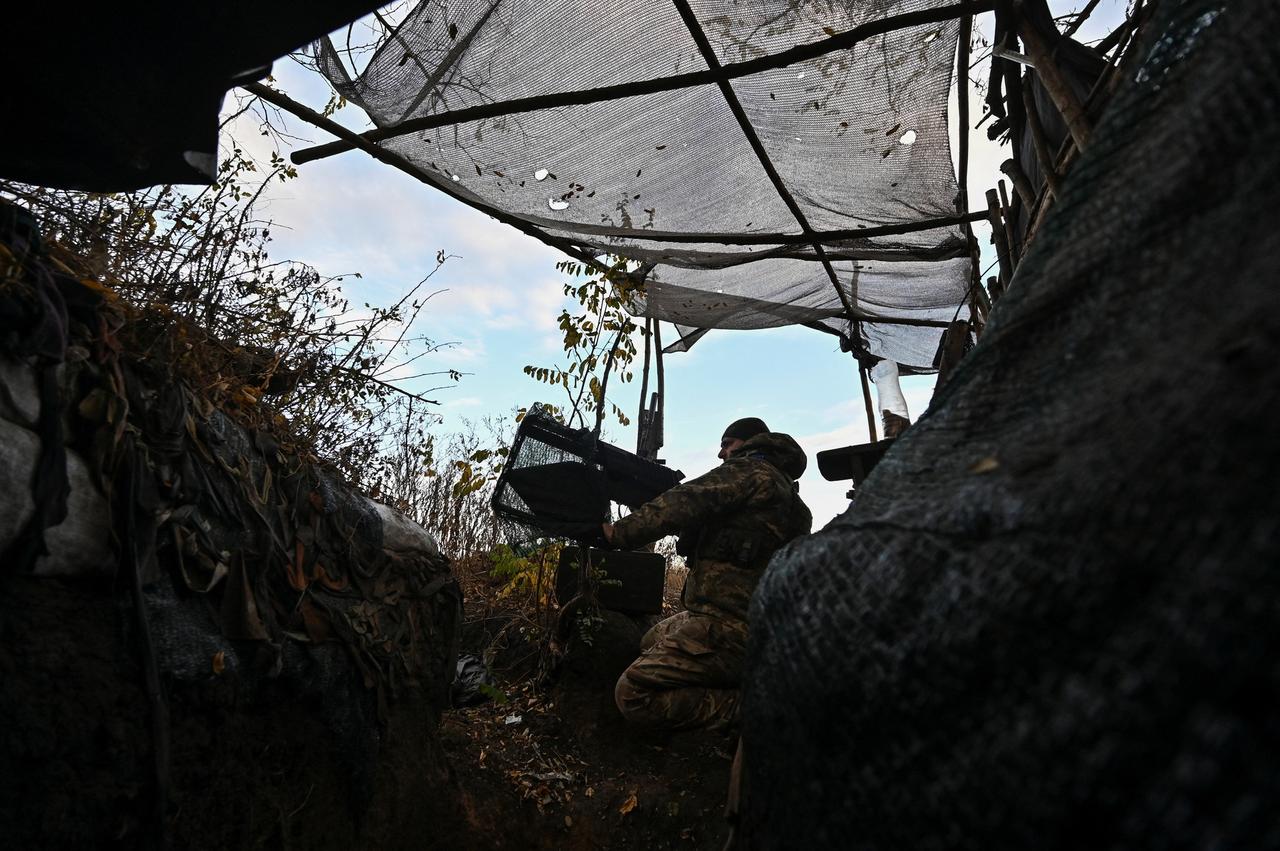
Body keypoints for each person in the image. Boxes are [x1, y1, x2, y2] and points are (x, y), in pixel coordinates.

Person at [601, 417, 812, 732]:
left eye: (727, 444)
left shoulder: (751, 472)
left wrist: (617, 533)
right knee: (649, 640)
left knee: (632, 694)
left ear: (751, 443)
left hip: (728, 627)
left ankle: (758, 707)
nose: (721, 453)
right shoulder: (794, 505)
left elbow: (685, 500)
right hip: (755, 629)